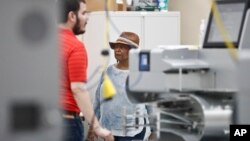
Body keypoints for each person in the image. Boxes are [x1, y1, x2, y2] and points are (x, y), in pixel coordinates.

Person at [57, 0, 114, 141]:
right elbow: (78, 89)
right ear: (72, 16)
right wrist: (97, 127)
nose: (87, 18)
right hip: (67, 124)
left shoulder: (44, 43)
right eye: (83, 13)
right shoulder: (75, 46)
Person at [94, 32, 151, 141]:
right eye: (116, 46)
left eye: (122, 47)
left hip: (132, 132)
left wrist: (154, 130)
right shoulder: (108, 72)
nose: (117, 50)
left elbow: (150, 104)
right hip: (108, 130)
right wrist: (93, 124)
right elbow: (97, 100)